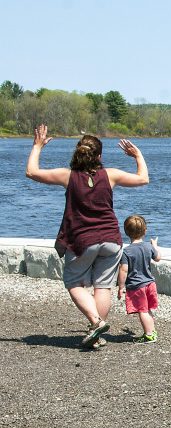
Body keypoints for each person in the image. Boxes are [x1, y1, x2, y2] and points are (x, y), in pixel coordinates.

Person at [25, 124, 149, 348]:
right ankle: (97, 333)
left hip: (82, 241)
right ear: (99, 156)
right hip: (111, 239)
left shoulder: (68, 176)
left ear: (78, 153)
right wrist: (137, 155)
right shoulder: (110, 175)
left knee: (73, 282)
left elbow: (32, 172)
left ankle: (96, 323)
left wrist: (37, 146)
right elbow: (143, 179)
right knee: (103, 286)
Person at [117, 215, 161, 344]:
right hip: (150, 284)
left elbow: (123, 270)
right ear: (145, 231)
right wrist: (155, 245)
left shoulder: (126, 252)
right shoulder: (148, 247)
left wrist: (121, 287)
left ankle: (148, 335)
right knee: (147, 309)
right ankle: (152, 331)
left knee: (142, 310)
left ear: (126, 232)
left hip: (137, 286)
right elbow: (158, 258)